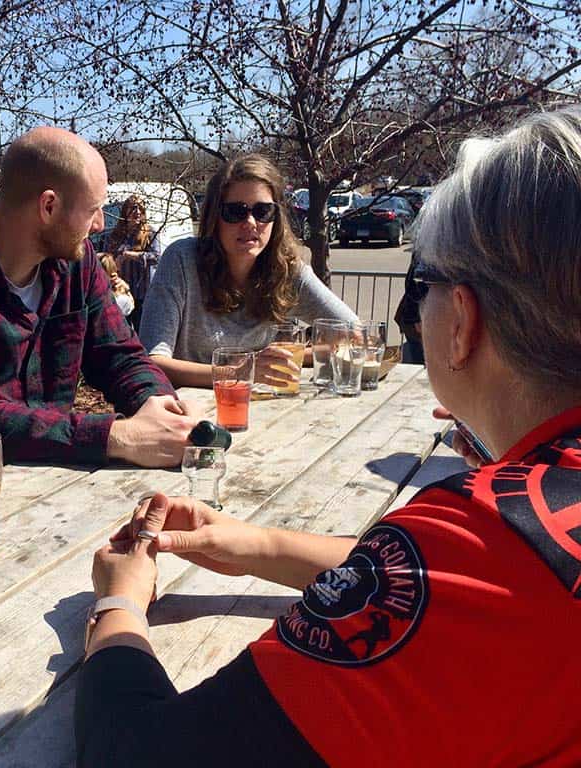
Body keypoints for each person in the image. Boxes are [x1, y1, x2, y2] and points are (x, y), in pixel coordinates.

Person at [75, 108, 581, 765]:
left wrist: (118, 603)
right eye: (235, 211)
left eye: (418, 287)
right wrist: (254, 543)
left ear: (461, 321)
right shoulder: (515, 533)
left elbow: (137, 755)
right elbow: (430, 578)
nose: (249, 224)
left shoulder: (490, 536)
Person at [0, 126, 197, 512]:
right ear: (48, 207)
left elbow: (121, 355)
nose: (100, 225)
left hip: (47, 494)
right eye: (93, 209)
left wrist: (158, 404)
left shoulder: (76, 263)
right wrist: (118, 436)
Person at [140, 155, 358, 389]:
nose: (251, 223)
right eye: (236, 212)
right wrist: (243, 371)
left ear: (276, 218)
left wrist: (289, 356)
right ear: (214, 217)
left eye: (263, 211)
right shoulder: (182, 260)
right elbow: (152, 362)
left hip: (261, 403)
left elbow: (355, 334)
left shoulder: (288, 271)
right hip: (189, 406)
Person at [100, 195, 161, 328]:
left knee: (141, 329)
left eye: (141, 209)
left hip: (142, 292)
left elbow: (156, 257)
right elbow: (105, 259)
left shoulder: (150, 233)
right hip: (120, 291)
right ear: (125, 212)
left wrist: (131, 255)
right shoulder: (114, 235)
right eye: (133, 208)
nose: (137, 212)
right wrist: (115, 262)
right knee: (120, 329)